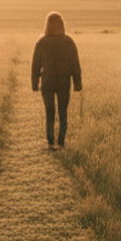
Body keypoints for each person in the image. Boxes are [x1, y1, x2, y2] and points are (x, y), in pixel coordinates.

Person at [31, 11, 82, 150]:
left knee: (50, 112)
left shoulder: (41, 41)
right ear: (62, 25)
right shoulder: (68, 42)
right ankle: (61, 142)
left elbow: (35, 64)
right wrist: (77, 83)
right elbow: (75, 64)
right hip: (64, 83)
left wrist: (35, 83)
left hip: (47, 82)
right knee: (63, 112)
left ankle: (50, 142)